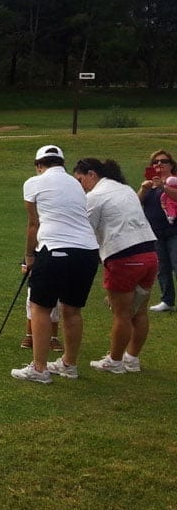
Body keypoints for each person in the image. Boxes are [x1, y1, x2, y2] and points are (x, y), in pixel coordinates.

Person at [11, 145, 99, 384]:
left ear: (39, 165)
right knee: (72, 310)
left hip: (55, 250)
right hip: (88, 253)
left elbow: (33, 223)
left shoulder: (33, 182)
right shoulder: (76, 185)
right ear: (61, 163)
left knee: (40, 307)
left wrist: (29, 257)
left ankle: (39, 369)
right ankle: (69, 365)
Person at [73, 158, 158, 375]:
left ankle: (115, 361)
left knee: (121, 313)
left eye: (80, 179)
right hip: (149, 252)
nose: (79, 186)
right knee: (139, 311)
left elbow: (86, 230)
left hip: (123, 256)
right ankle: (132, 359)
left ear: (92, 174)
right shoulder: (125, 188)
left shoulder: (94, 197)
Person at [137, 150, 177, 312]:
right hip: (155, 233)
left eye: (163, 161)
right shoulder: (149, 184)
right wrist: (144, 189)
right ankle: (167, 300)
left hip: (174, 231)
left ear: (171, 165)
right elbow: (136, 202)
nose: (159, 164)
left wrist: (164, 187)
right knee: (162, 268)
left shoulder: (173, 181)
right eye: (155, 162)